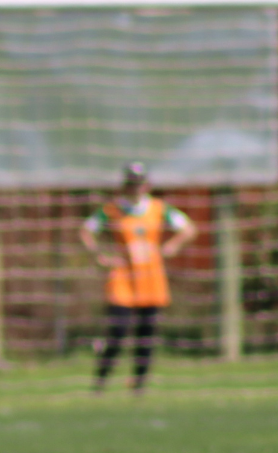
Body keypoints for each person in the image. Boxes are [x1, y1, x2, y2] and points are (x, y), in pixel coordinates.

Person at [79, 162, 197, 393]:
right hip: (123, 277)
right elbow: (86, 231)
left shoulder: (159, 208)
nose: (135, 189)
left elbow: (189, 229)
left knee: (147, 333)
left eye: (139, 184)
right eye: (131, 184)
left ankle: (139, 384)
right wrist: (99, 256)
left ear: (147, 185)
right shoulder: (112, 210)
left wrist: (172, 246)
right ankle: (100, 381)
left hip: (151, 278)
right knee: (118, 331)